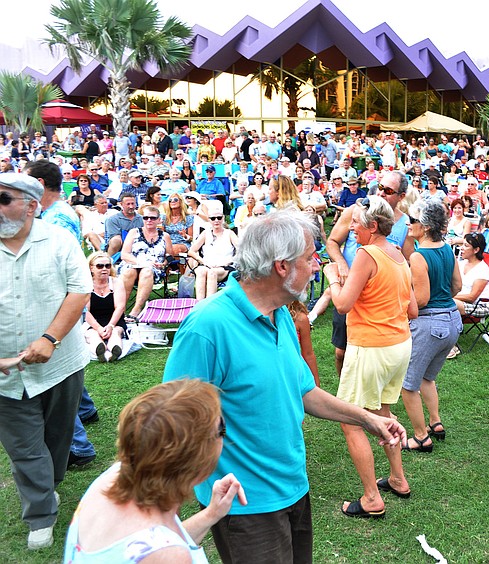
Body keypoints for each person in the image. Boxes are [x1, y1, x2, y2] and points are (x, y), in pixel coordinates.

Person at [163, 211, 406, 561]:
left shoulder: (281, 315)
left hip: (293, 486)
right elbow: (172, 419)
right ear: (282, 266)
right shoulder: (207, 327)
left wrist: (368, 419)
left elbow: (305, 392)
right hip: (244, 504)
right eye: (309, 258)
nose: (316, 264)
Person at [0, 173, 91, 550]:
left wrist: (49, 338)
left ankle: (47, 486)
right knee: (24, 447)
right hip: (4, 376)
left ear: (31, 205)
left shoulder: (58, 239)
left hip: (60, 364)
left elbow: (80, 289)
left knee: (57, 438)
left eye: (4, 198)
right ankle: (40, 513)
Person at [63, 379, 247, 562]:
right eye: (221, 429)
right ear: (199, 463)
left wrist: (211, 513)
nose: (225, 430)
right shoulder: (168, 556)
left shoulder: (114, 478)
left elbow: (155, 542)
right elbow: (160, 552)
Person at [324, 195, 417, 517]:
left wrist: (333, 277)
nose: (351, 228)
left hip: (371, 346)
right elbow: (414, 310)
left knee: (351, 421)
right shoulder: (398, 255)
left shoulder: (367, 253)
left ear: (373, 226)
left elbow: (342, 304)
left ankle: (371, 499)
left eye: (356, 223)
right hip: (399, 346)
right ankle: (398, 479)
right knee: (383, 413)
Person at [325, 171, 413, 377]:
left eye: (388, 190)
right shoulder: (355, 211)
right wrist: (342, 265)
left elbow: (408, 260)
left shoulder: (404, 223)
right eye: (380, 187)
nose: (381, 193)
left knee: (370, 349)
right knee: (341, 351)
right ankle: (345, 389)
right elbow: (332, 242)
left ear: (401, 196)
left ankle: (365, 395)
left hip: (378, 297)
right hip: (349, 288)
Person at [400, 200, 461, 453]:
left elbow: (422, 299)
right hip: (452, 321)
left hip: (429, 324)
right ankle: (435, 423)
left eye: (412, 221)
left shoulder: (418, 256)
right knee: (428, 377)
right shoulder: (447, 249)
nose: (407, 224)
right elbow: (457, 286)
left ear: (424, 227)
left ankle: (421, 436)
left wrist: (402, 302)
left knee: (408, 384)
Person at [119, 205, 174, 321]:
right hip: (132, 263)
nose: (149, 220)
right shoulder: (134, 232)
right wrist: (141, 262)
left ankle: (136, 310)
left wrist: (163, 263)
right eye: (146, 218)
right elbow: (124, 254)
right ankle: (120, 310)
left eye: (153, 218)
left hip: (153, 269)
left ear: (159, 220)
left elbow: (170, 256)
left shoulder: (165, 236)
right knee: (130, 272)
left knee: (147, 271)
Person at [450, 232, 489, 359]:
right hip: (461, 301)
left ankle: (451, 345)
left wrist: (449, 297)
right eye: (462, 245)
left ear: (476, 250)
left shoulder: (483, 269)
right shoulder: (460, 264)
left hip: (480, 305)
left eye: (465, 245)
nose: (461, 248)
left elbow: (472, 297)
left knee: (449, 304)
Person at [187, 201, 238, 300]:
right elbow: (191, 251)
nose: (216, 221)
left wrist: (230, 261)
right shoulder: (205, 233)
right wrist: (202, 261)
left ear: (223, 218)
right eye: (213, 218)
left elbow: (242, 251)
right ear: (209, 220)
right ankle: (199, 304)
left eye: (219, 218)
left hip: (224, 267)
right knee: (200, 271)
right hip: (207, 265)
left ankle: (209, 305)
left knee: (212, 273)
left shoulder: (229, 233)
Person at [83, 252, 127, 363]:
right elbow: (85, 311)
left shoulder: (116, 282)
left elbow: (120, 307)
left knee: (116, 333)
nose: (104, 269)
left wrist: (111, 325)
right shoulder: (85, 284)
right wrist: (98, 328)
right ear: (91, 268)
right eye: (100, 266)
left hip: (114, 320)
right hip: (92, 322)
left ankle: (115, 350)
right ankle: (100, 351)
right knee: (93, 335)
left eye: (107, 266)